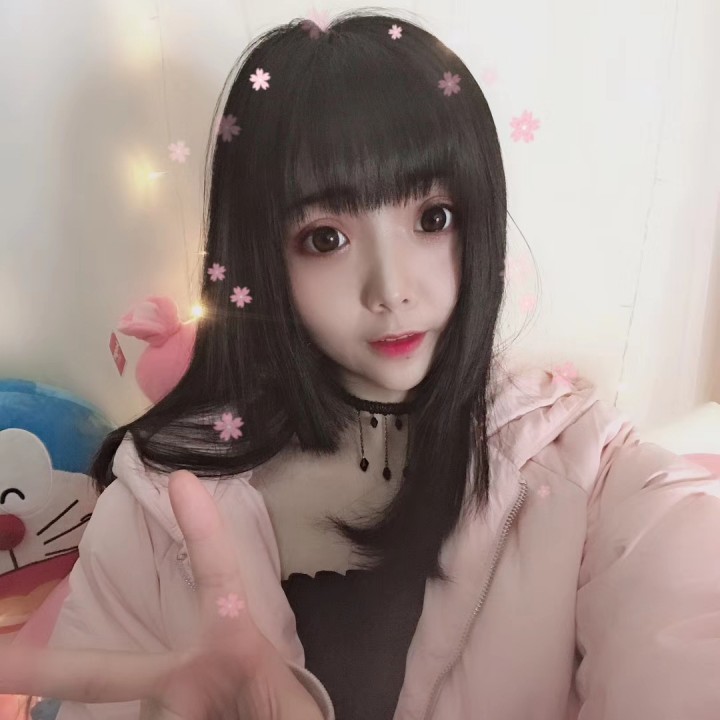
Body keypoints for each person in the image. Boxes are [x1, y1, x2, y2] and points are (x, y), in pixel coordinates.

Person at [6, 8, 720, 720]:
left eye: (433, 218)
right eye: (325, 238)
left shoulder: (583, 466)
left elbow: (689, 622)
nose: (391, 289)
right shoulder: (157, 502)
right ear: (260, 255)